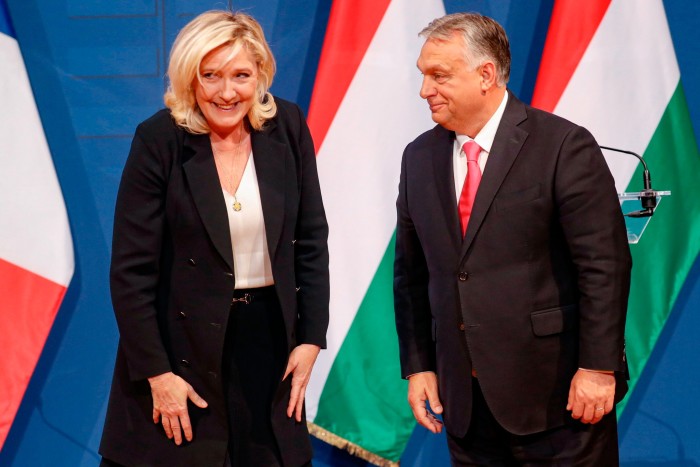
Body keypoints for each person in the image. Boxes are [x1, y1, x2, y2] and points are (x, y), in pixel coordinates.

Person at [393, 12, 632, 465]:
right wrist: (419, 364)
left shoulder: (562, 146)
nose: (425, 90)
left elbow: (604, 266)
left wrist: (598, 367)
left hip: (558, 399)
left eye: (438, 76)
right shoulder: (418, 157)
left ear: (486, 74)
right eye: (423, 75)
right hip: (465, 404)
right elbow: (411, 273)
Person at [99, 10, 329, 467]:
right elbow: (131, 272)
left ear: (261, 74)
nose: (227, 92)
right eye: (211, 76)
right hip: (180, 349)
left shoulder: (287, 125)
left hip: (267, 343)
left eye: (241, 75)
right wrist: (158, 374)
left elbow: (311, 237)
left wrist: (311, 336)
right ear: (190, 78)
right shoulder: (159, 139)